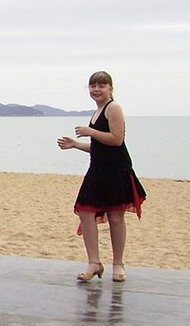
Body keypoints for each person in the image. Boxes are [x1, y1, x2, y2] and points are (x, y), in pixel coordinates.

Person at [57, 70, 146, 283]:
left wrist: (90, 132)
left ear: (110, 89)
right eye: (93, 86)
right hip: (97, 169)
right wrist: (76, 144)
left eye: (101, 86)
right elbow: (100, 147)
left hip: (117, 169)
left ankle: (118, 264)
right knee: (85, 213)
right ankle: (94, 262)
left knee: (116, 216)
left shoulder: (113, 108)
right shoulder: (97, 112)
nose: (96, 90)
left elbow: (116, 140)